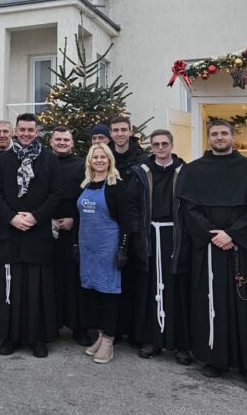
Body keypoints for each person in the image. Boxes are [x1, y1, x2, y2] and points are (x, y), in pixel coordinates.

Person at [175, 119, 247, 386]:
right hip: (208, 247)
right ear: (208, 138)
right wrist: (213, 235)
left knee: (245, 303)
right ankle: (214, 358)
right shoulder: (193, 170)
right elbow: (190, 209)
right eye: (214, 134)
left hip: (241, 247)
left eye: (224, 133)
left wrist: (234, 234)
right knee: (210, 301)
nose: (219, 137)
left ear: (232, 136)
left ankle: (246, 363)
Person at [0, 113, 61, 358]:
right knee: (11, 287)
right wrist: (12, 217)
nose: (26, 134)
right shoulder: (2, 160)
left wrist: (35, 217)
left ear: (37, 132)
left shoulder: (50, 160)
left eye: (31, 130)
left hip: (37, 232)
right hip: (10, 233)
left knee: (36, 289)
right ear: (15, 132)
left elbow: (55, 194)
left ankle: (36, 338)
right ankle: (10, 337)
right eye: (22, 130)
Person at [126, 129, 190, 363]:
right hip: (149, 235)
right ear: (151, 147)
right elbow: (132, 205)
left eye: (164, 144)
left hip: (176, 236)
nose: (160, 148)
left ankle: (181, 343)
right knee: (150, 288)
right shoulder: (141, 173)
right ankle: (152, 340)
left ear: (172, 145)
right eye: (156, 144)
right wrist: (136, 231)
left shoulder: (184, 172)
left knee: (178, 290)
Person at [78, 143, 131, 364]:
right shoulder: (86, 185)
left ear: (110, 160)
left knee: (109, 294)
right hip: (87, 249)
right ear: (90, 161)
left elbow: (126, 221)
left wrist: (122, 249)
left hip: (107, 249)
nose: (99, 160)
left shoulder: (116, 186)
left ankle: (109, 341)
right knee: (93, 294)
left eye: (103, 157)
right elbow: (79, 218)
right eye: (95, 157)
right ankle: (100, 336)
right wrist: (75, 246)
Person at [49, 126, 90, 346]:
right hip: (47, 227)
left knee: (75, 279)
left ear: (72, 143)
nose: (62, 142)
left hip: (75, 228)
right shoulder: (44, 163)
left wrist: (75, 220)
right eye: (58, 139)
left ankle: (79, 327)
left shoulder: (83, 165)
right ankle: (52, 324)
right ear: (51, 142)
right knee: (51, 279)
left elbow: (90, 196)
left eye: (66, 139)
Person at [109, 116, 147, 343]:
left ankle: (135, 330)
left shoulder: (142, 160)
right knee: (113, 279)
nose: (120, 133)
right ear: (111, 133)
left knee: (134, 280)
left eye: (124, 129)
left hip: (135, 227)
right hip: (108, 226)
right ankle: (114, 328)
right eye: (116, 130)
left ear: (130, 131)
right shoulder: (104, 157)